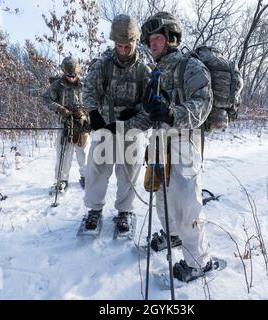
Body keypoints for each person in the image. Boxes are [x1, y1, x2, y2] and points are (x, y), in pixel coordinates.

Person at [140, 12, 214, 282]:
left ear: (171, 37)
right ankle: (172, 235)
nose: (153, 44)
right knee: (161, 198)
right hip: (159, 143)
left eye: (157, 38)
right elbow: (149, 111)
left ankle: (198, 262)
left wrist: (172, 113)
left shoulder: (189, 65)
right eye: (150, 40)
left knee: (186, 206)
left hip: (183, 143)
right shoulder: (155, 72)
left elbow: (203, 104)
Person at [82, 14, 151, 234]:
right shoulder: (102, 64)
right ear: (114, 43)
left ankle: (124, 211)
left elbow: (150, 103)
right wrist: (93, 114)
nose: (123, 50)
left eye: (127, 45)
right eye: (119, 45)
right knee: (97, 168)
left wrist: (134, 115)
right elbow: (89, 89)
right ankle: (94, 209)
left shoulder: (144, 69)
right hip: (105, 125)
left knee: (129, 170)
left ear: (135, 42)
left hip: (132, 127)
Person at [43, 57, 90, 193]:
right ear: (64, 72)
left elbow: (93, 100)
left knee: (84, 152)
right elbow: (46, 99)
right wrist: (60, 109)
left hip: (82, 123)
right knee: (63, 152)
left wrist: (85, 113)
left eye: (74, 75)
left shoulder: (84, 84)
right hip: (65, 123)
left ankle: (86, 177)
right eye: (69, 75)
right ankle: (61, 180)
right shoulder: (58, 85)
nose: (71, 77)